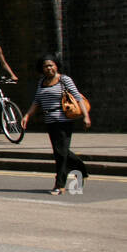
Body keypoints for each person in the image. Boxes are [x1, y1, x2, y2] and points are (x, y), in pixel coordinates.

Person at [21, 55, 90, 195]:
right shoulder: (42, 82)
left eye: (51, 65)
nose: (49, 68)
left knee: (60, 153)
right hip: (50, 121)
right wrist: (27, 115)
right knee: (61, 152)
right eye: (46, 66)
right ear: (42, 68)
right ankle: (80, 168)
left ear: (56, 66)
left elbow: (77, 97)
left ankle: (59, 185)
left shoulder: (64, 80)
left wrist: (86, 116)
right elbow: (36, 101)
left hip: (64, 120)